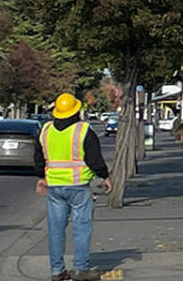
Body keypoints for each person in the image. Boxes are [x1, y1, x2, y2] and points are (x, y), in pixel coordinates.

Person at [34, 93, 111, 281]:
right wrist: (104, 176)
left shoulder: (45, 130)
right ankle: (80, 269)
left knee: (55, 229)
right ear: (76, 111)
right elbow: (94, 159)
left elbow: (38, 158)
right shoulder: (83, 130)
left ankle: (57, 270)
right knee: (81, 227)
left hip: (54, 187)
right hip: (78, 187)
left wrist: (41, 178)